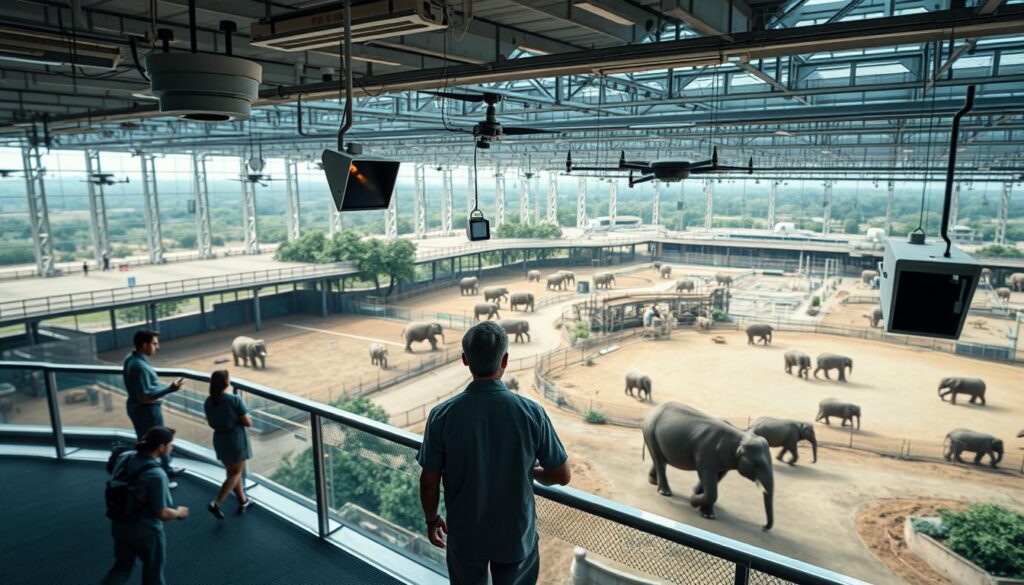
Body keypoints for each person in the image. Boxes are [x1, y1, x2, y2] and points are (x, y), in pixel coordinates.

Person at [418, 322, 571, 585]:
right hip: (515, 534)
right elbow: (561, 474)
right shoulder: (531, 413)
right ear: (506, 360)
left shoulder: (442, 415)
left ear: (465, 360)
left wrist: (432, 520)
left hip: (465, 534)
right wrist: (531, 472)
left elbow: (429, 480)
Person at [102, 426, 189, 585]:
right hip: (146, 531)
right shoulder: (157, 475)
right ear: (161, 447)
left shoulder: (125, 457)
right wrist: (178, 513)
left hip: (119, 523)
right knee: (152, 572)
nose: (172, 447)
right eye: (170, 444)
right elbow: (161, 513)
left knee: (122, 567)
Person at [124, 330, 184, 486]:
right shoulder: (139, 367)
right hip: (147, 411)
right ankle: (159, 480)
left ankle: (165, 471)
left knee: (149, 443)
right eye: (154, 343)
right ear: (144, 345)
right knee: (155, 445)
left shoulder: (131, 358)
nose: (158, 347)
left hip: (138, 409)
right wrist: (170, 389)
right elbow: (143, 398)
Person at [203, 369, 253, 518]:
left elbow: (212, 424)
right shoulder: (234, 400)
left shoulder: (208, 401)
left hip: (220, 440)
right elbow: (247, 422)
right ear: (226, 382)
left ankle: (243, 501)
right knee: (235, 473)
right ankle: (217, 503)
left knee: (232, 473)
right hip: (235, 440)